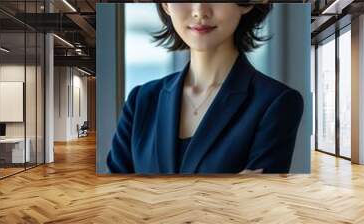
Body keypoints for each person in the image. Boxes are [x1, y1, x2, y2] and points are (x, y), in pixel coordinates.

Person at [107, 3, 304, 174]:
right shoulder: (141, 99)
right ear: (166, 5)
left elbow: (256, 208)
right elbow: (114, 199)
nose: (200, 11)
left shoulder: (277, 102)